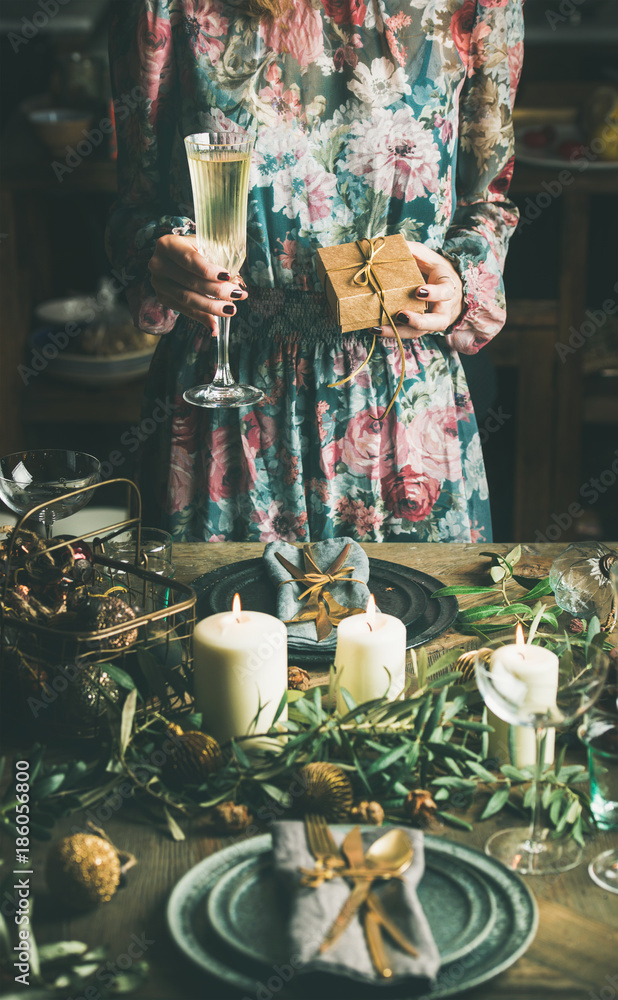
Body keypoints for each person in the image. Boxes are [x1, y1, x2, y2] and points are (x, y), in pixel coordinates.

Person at [106, 0, 524, 543]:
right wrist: (157, 252)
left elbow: (489, 203)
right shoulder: (163, 7)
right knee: (220, 623)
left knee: (416, 623)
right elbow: (132, 209)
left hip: (401, 400)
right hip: (226, 391)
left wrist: (461, 277)